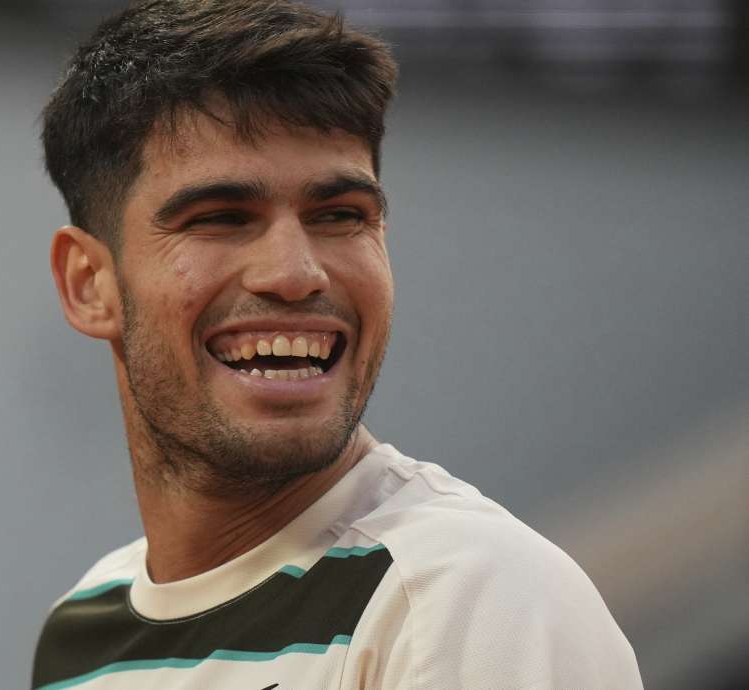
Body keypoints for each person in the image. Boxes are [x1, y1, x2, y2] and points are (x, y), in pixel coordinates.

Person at [32, 1, 643, 688]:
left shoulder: (471, 598)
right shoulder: (81, 635)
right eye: (221, 218)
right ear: (90, 284)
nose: (296, 273)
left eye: (340, 216)